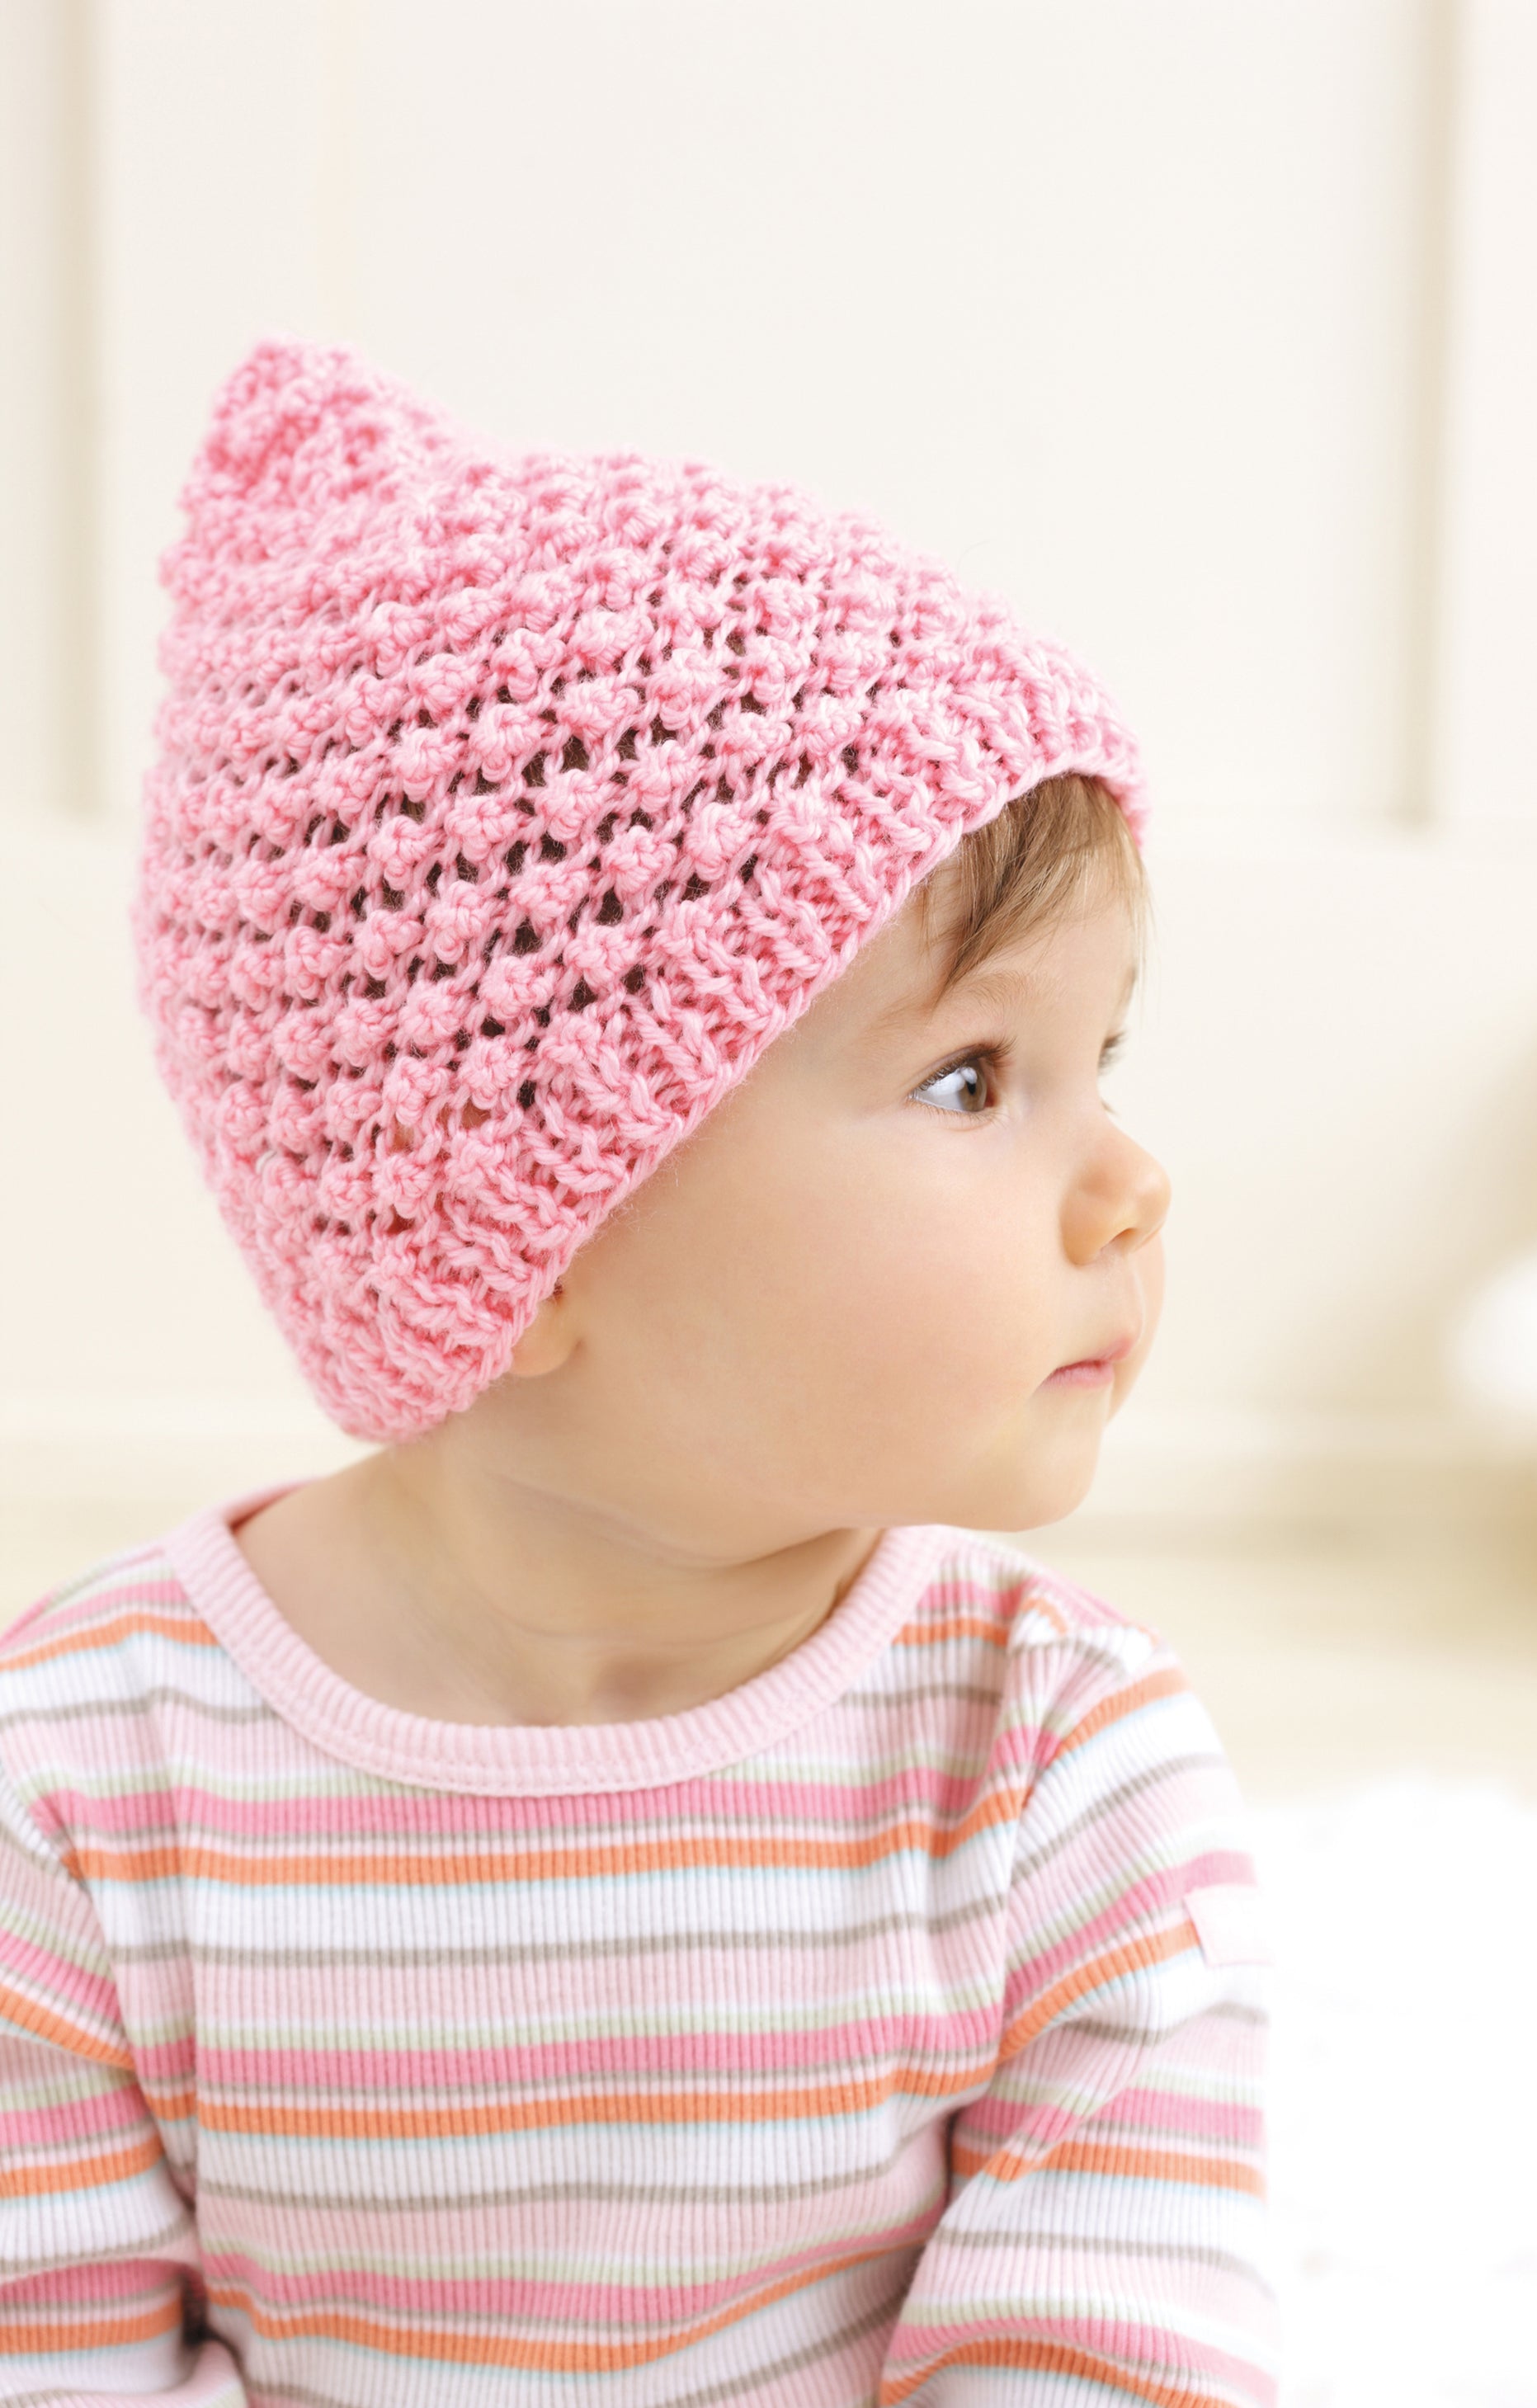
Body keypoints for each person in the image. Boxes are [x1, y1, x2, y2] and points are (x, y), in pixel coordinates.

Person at [0, 340, 1275, 2407]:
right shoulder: (85, 1794)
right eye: (974, 1077)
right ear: (528, 1220)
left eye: (1097, 1061)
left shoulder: (1055, 1765)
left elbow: (1100, 2344)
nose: (1128, 1183)